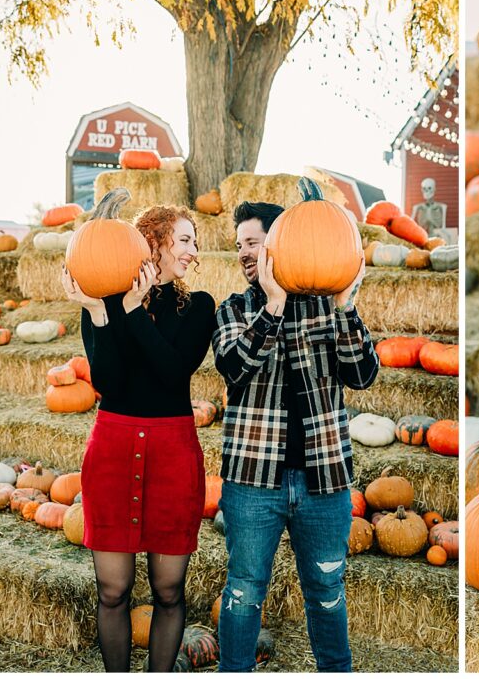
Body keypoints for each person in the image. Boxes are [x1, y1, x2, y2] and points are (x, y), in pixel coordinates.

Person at [212, 201, 377, 673]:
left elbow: (362, 373)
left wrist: (346, 306)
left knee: (326, 592)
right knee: (243, 590)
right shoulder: (235, 308)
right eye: (239, 245)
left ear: (281, 243)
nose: (244, 253)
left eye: (253, 243)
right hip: (252, 482)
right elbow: (234, 367)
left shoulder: (329, 307)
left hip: (324, 481)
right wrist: (274, 306)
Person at [62, 200, 216, 672]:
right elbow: (108, 380)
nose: (194, 250)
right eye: (185, 239)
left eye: (194, 241)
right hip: (113, 445)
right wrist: (98, 310)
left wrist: (132, 312)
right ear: (154, 241)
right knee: (112, 590)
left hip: (172, 450)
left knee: (169, 589)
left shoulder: (199, 307)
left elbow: (172, 372)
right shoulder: (104, 298)